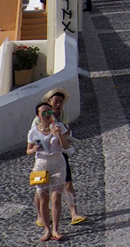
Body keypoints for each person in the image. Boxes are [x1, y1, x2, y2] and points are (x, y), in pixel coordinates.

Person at [36, 88, 86, 228]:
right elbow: (35, 137)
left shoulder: (62, 115)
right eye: (56, 101)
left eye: (61, 102)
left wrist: (62, 129)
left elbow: (68, 131)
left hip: (60, 153)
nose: (58, 105)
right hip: (43, 157)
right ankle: (40, 215)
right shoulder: (38, 118)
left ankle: (74, 214)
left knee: (68, 183)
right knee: (40, 188)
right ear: (49, 102)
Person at [27, 100, 69, 241]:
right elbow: (28, 150)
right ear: (38, 116)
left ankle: (56, 229)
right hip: (41, 166)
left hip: (57, 164)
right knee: (43, 198)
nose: (47, 114)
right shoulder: (33, 132)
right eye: (44, 112)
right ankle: (47, 230)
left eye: (49, 111)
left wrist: (59, 134)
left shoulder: (59, 127)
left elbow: (66, 146)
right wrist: (33, 150)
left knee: (56, 197)